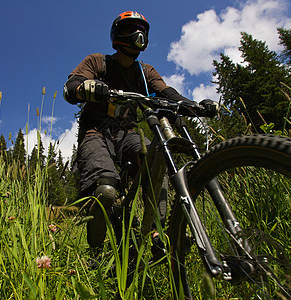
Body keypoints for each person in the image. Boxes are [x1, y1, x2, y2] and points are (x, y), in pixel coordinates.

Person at [63, 11, 217, 260]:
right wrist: (86, 87)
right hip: (96, 132)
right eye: (131, 28)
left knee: (154, 159)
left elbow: (167, 93)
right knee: (105, 189)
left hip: (128, 132)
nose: (138, 35)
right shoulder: (98, 62)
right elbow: (72, 86)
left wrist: (194, 106)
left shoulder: (145, 73)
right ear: (117, 34)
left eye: (142, 29)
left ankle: (157, 232)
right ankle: (96, 252)